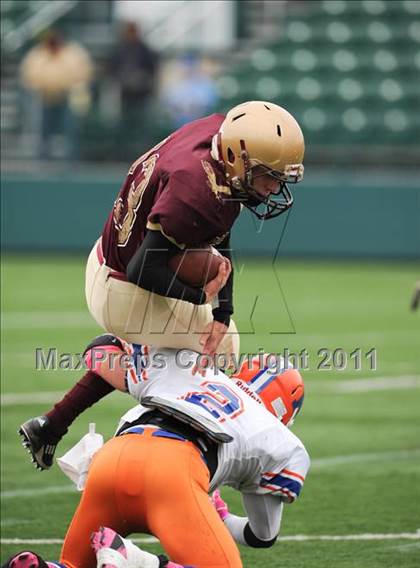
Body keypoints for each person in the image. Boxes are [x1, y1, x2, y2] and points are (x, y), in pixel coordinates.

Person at [19, 100, 305, 471]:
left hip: (109, 259)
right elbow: (144, 268)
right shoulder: (196, 189)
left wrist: (223, 310)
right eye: (268, 176)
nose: (273, 189)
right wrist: (202, 297)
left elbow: (218, 230)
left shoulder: (220, 139)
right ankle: (123, 369)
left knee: (211, 338)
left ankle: (52, 424)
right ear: (238, 158)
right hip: (122, 287)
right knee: (219, 352)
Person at [8, 341, 309, 568]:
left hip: (111, 460)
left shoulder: (191, 370)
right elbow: (262, 536)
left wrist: (56, 420)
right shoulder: (278, 437)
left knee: (73, 565)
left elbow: (100, 349)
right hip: (173, 472)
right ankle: (139, 562)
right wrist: (224, 516)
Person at [20, 29, 93, 159]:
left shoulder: (73, 53)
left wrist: (70, 85)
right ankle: (43, 158)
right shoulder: (37, 55)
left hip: (67, 96)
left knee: (70, 129)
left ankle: (71, 159)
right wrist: (41, 86)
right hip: (44, 96)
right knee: (43, 130)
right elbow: (28, 75)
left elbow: (84, 73)